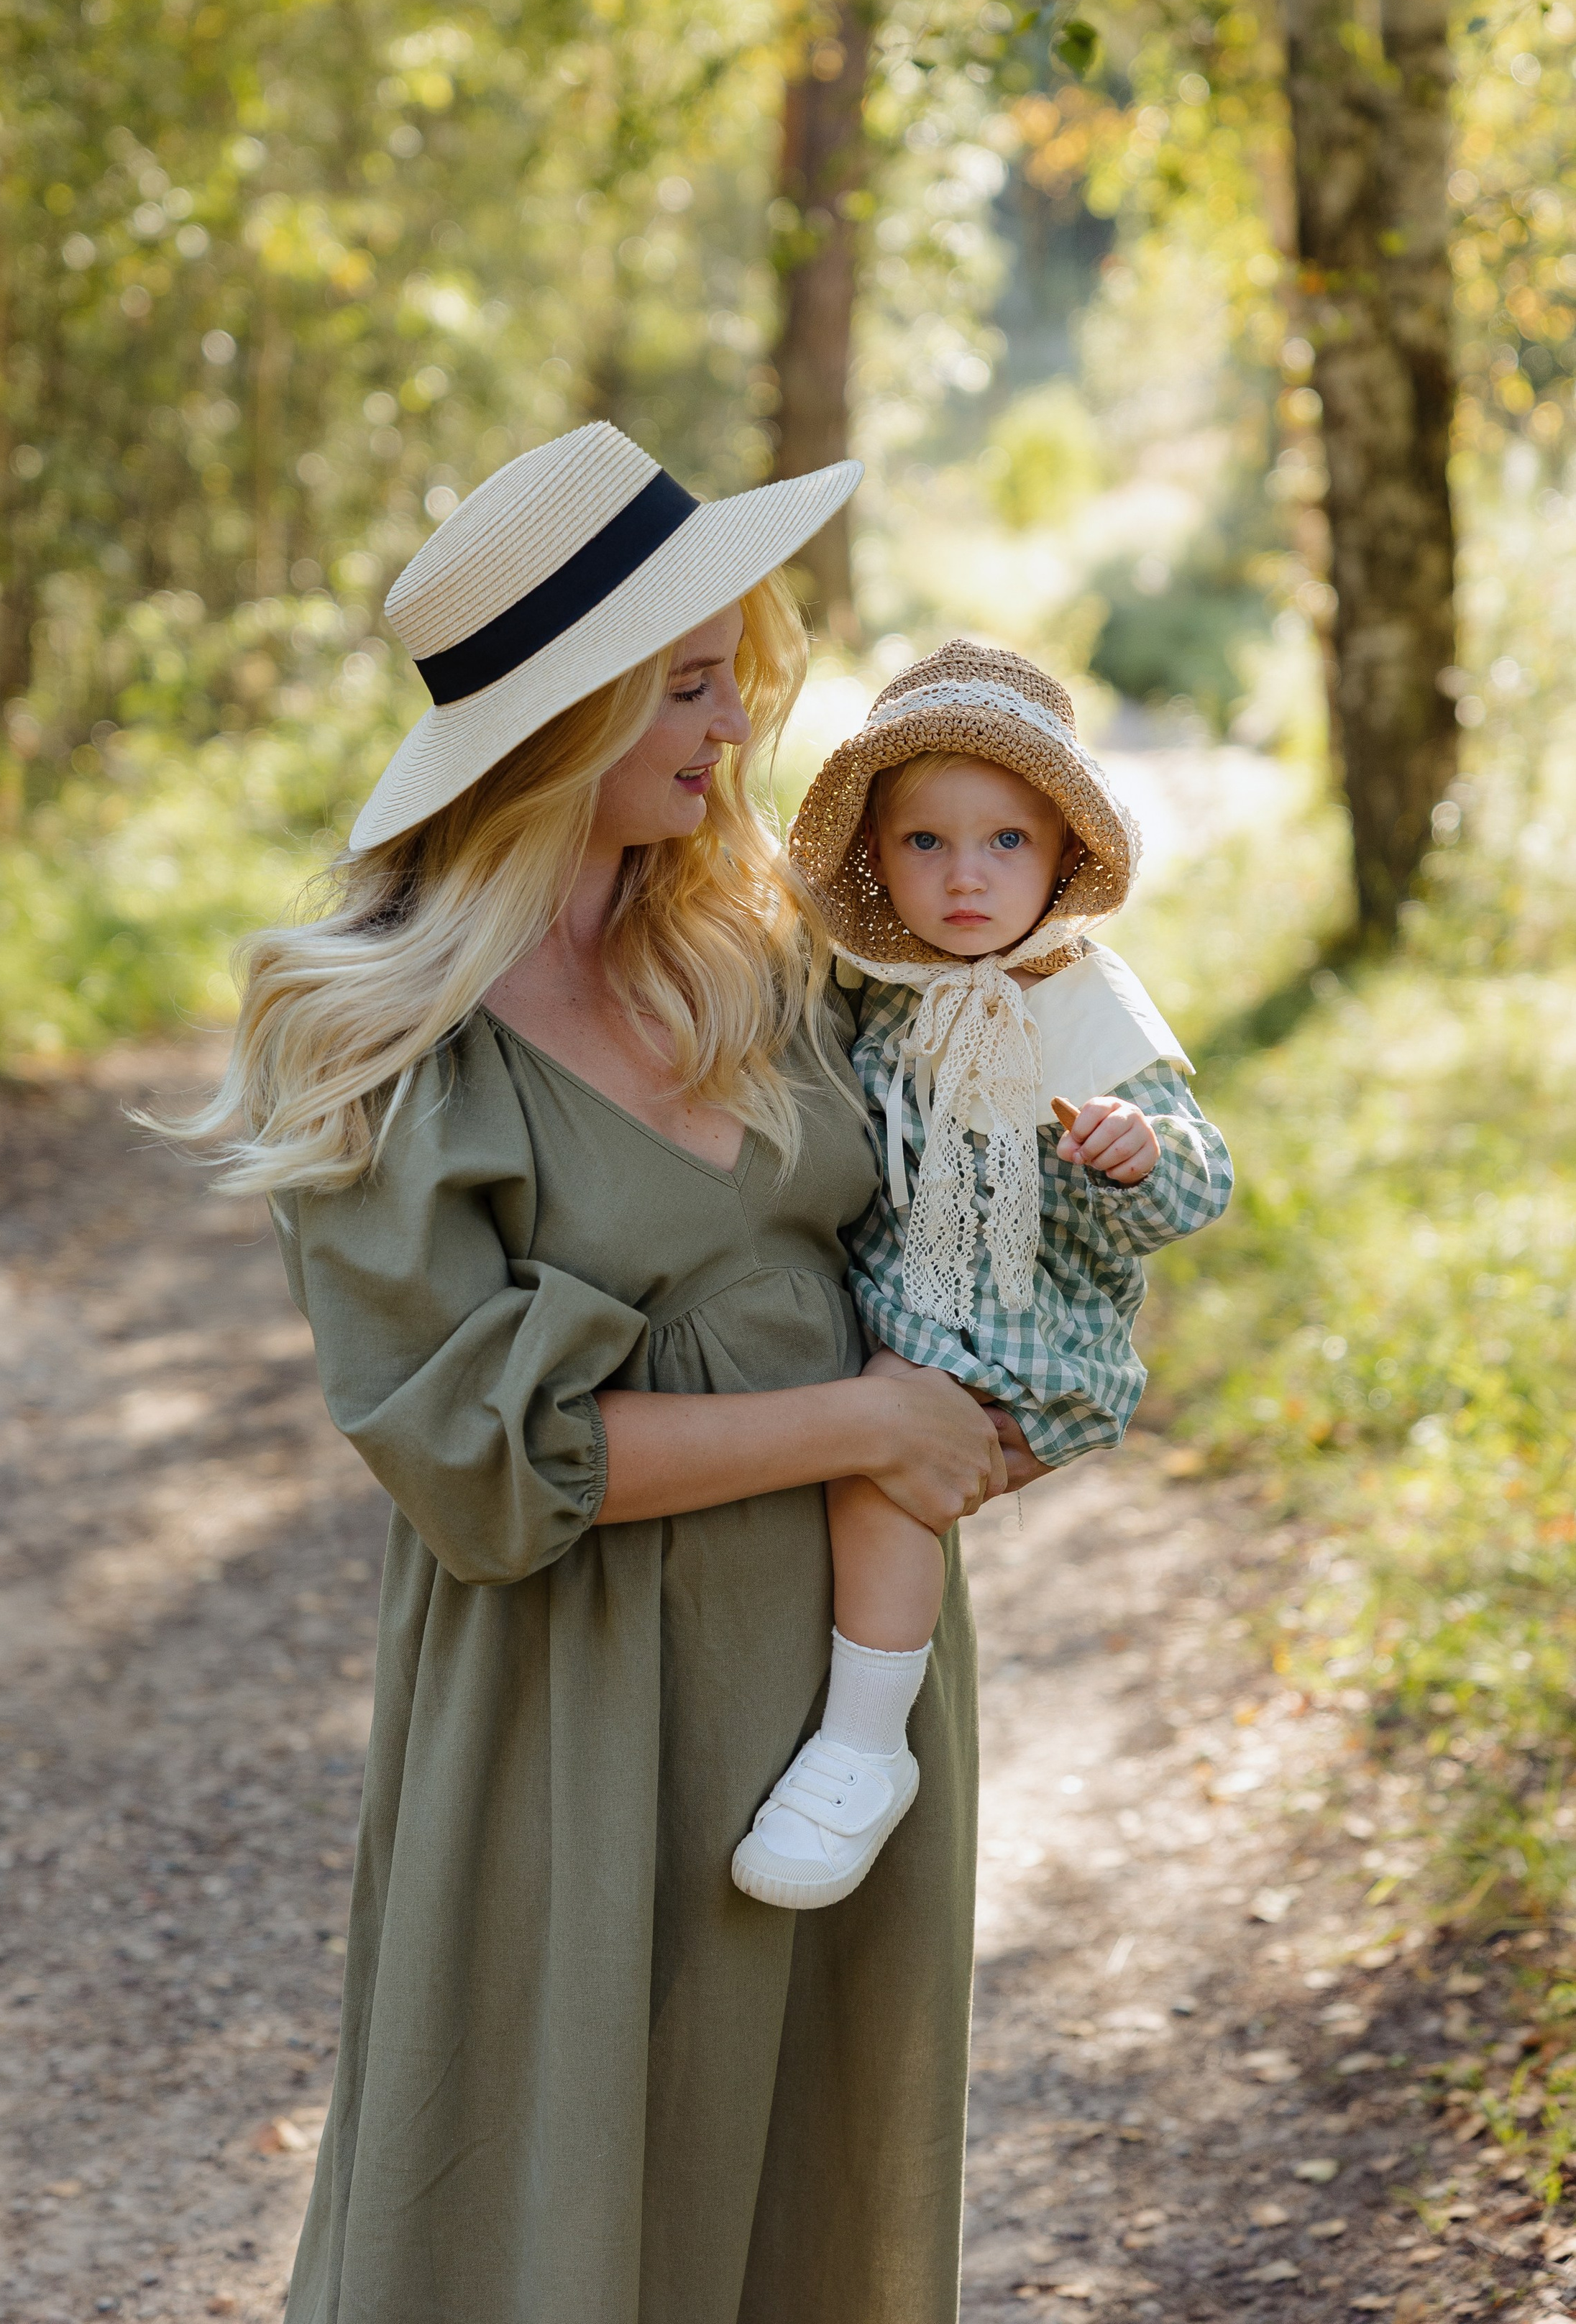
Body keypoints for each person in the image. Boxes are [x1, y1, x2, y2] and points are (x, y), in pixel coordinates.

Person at [178, 426, 1006, 2324]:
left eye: (738, 675)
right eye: (691, 686)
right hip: (578, 1703)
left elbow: (947, 1178)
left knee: (814, 2173)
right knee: (546, 2198)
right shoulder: (385, 1031)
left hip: (845, 1684)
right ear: (567, 712)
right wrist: (871, 1419)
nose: (738, 729)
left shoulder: (749, 950)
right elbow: (481, 1455)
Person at [730, 640, 1234, 1911]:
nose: (967, 879)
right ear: (877, 861)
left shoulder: (1080, 996)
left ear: (1063, 856)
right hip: (914, 1302)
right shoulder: (880, 988)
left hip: (1024, 1324)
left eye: (1007, 842)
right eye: (927, 845)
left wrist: (1137, 1154)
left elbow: (1201, 1173)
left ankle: (862, 1746)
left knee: (881, 1468)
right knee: (860, 1445)